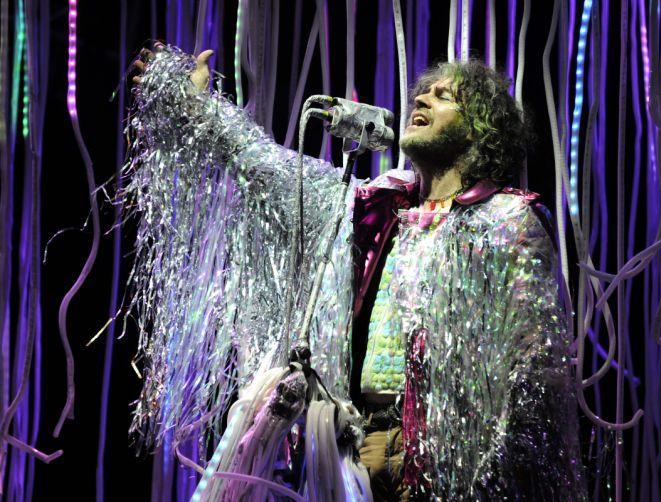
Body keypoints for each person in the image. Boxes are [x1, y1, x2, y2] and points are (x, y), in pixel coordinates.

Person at [129, 44, 585, 500]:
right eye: (423, 93)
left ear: (481, 130)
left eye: (445, 97)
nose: (422, 100)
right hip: (354, 450)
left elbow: (536, 371)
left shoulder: (507, 221)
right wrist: (194, 105)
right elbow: (264, 168)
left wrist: (446, 461)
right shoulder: (373, 207)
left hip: (448, 464)